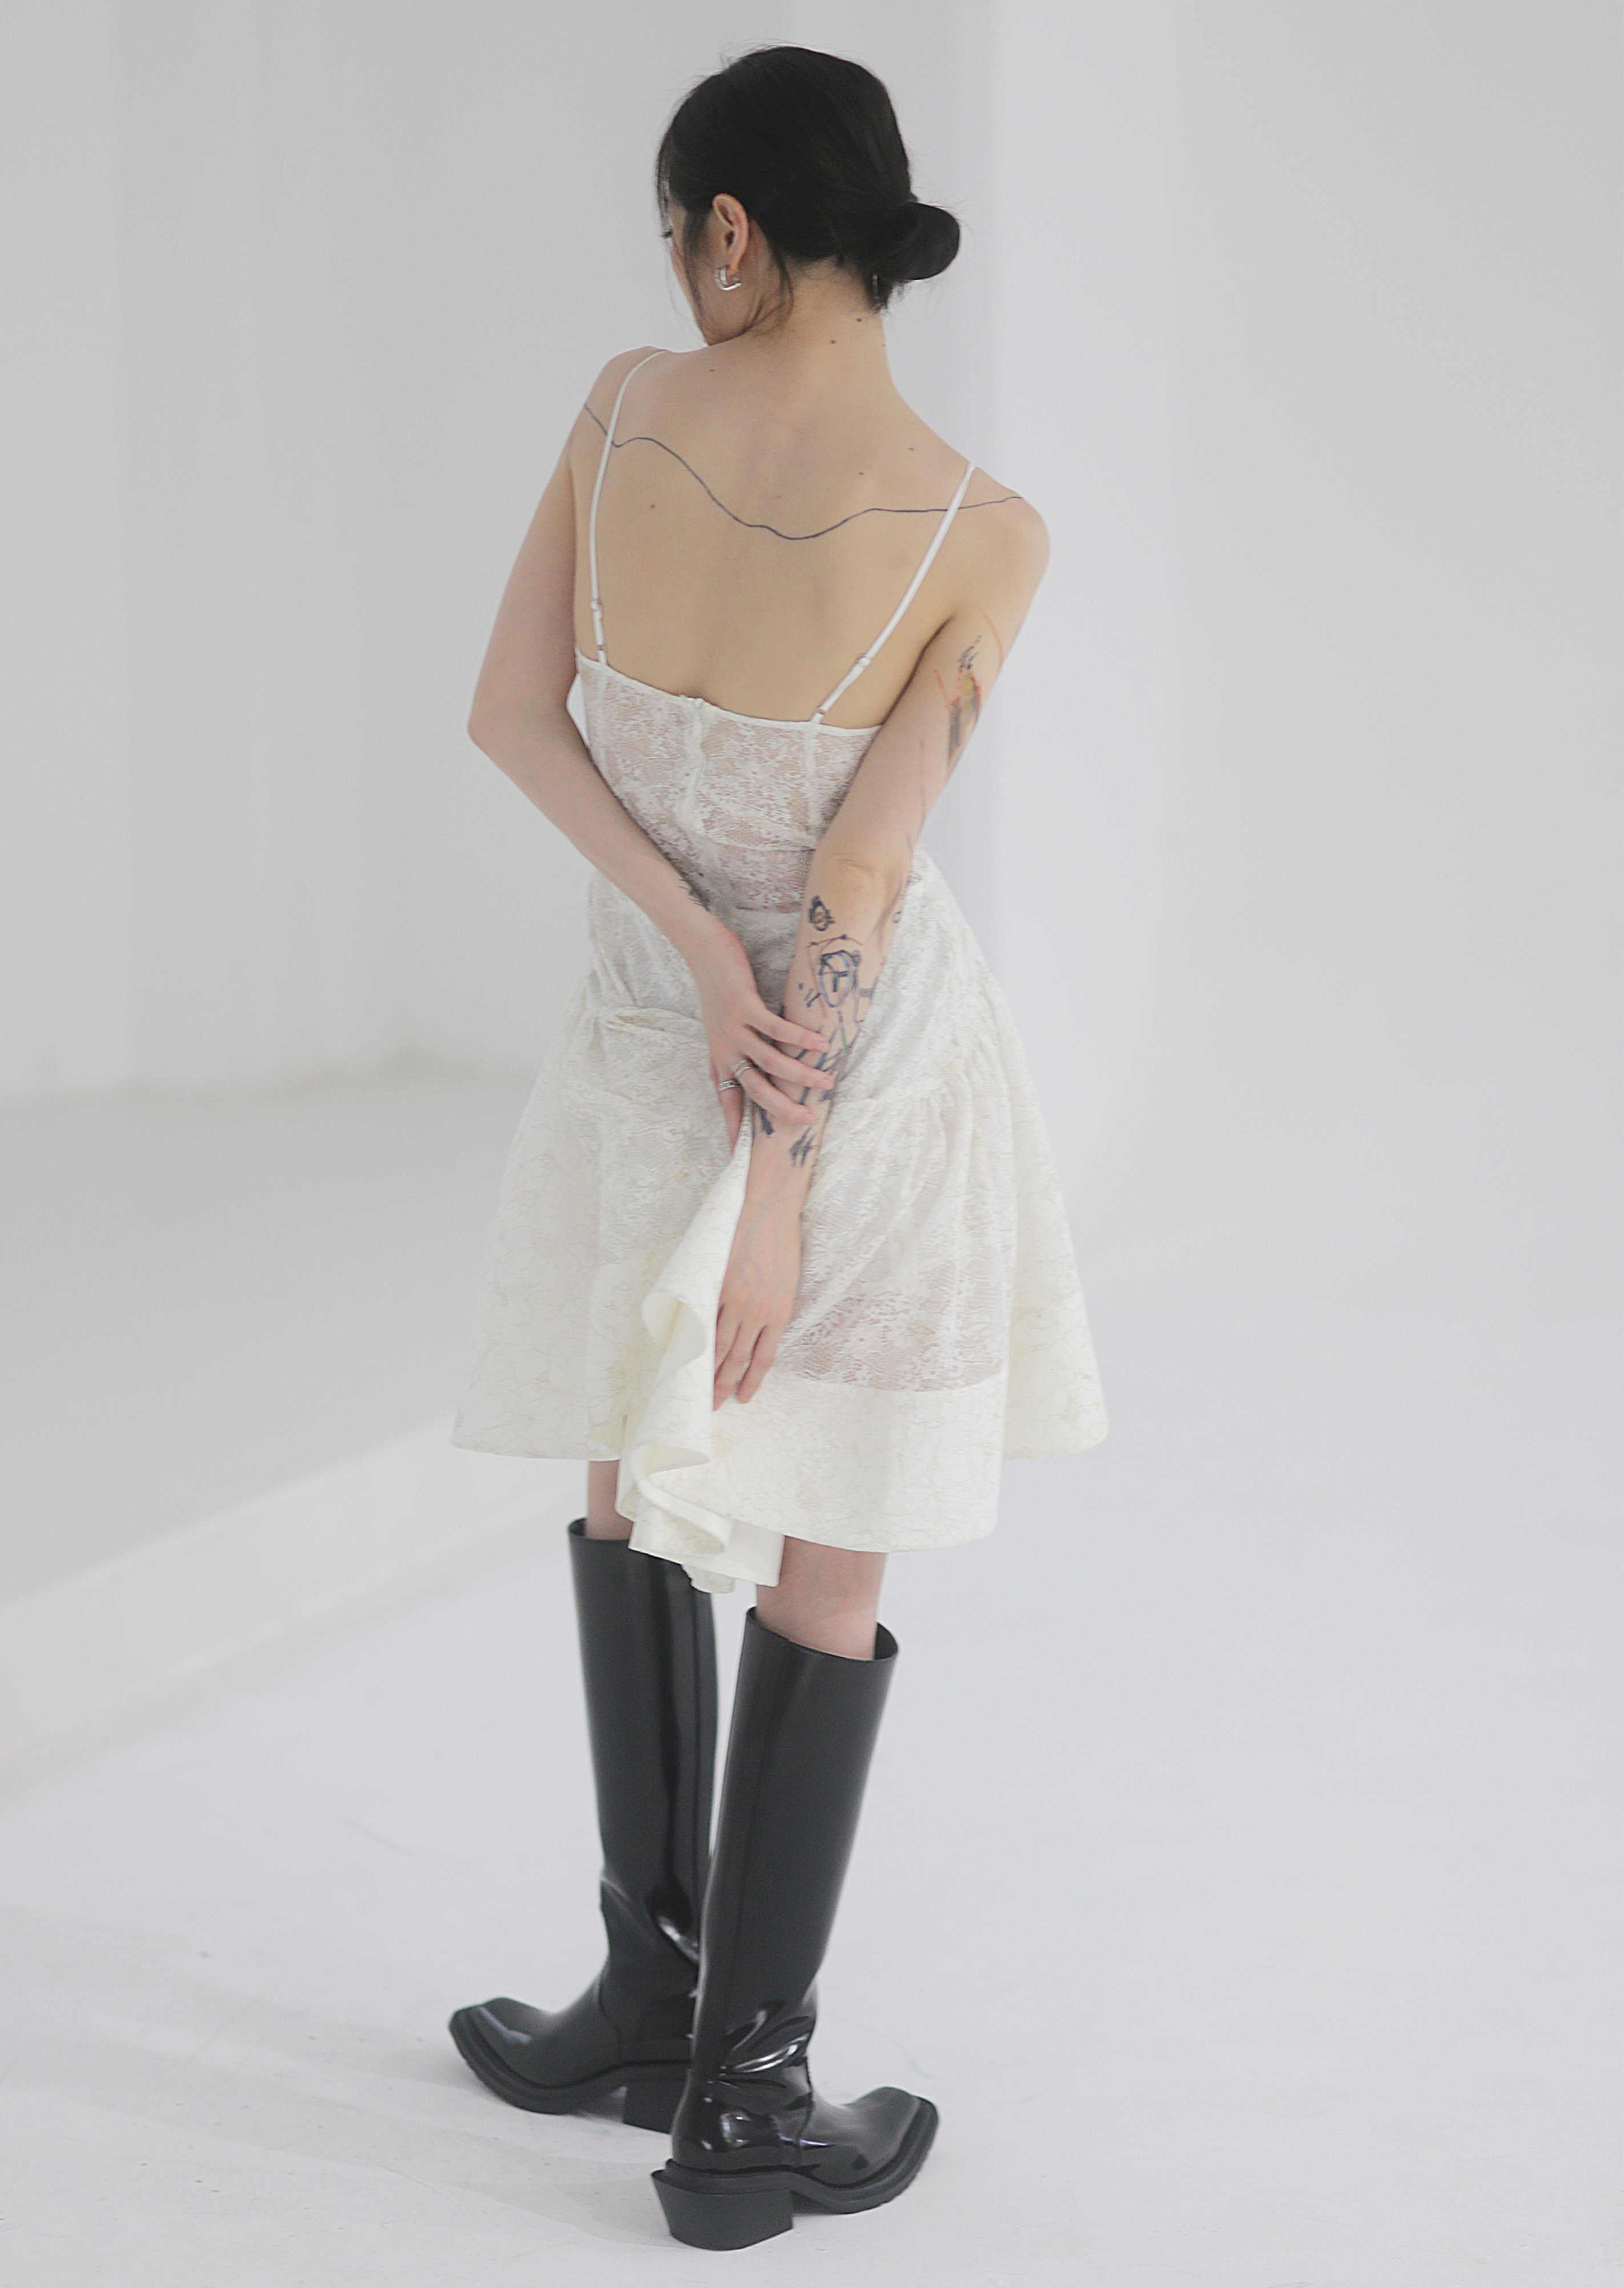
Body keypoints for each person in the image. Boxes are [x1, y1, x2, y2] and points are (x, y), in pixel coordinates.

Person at [445, 43, 1106, 2250]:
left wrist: (688, 962)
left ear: (730, 230)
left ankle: (653, 2004)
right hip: (863, 1079)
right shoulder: (984, 530)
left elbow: (511, 714)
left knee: (633, 1473)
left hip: (658, 1039)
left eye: (676, 231)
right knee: (832, 1548)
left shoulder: (623, 412)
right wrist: (787, 1193)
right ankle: (740, 2098)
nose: (672, 270)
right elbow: (860, 881)